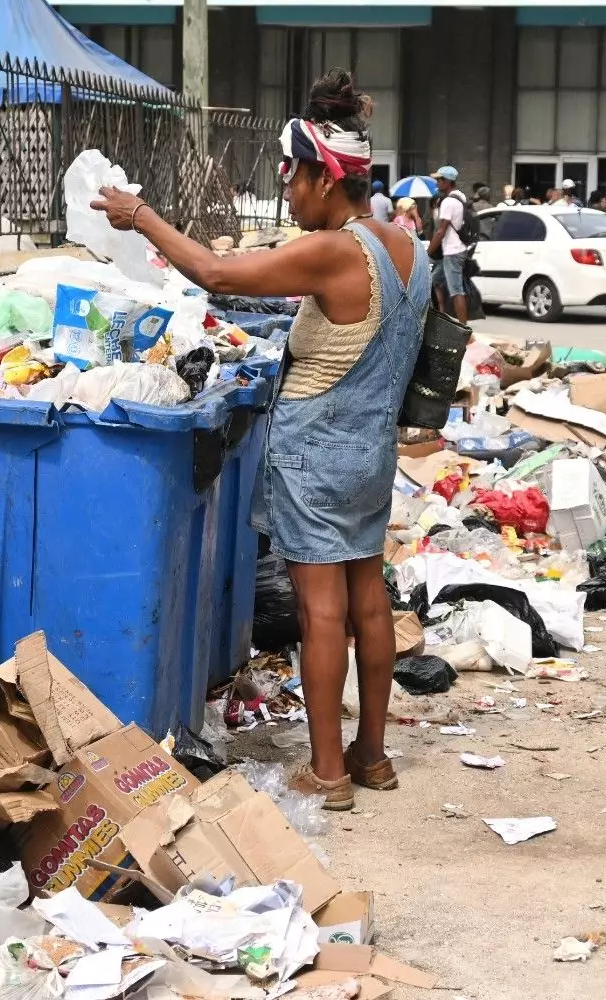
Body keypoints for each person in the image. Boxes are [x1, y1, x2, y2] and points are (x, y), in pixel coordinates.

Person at [92, 69, 428, 810]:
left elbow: (215, 273)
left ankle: (328, 772)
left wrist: (139, 215)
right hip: (372, 449)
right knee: (370, 599)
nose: (288, 192)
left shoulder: (336, 250)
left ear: (324, 177)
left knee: (320, 612)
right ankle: (371, 757)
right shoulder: (407, 248)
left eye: (292, 178)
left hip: (318, 452)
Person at [430, 164, 471, 322]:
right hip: (456, 249)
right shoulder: (460, 196)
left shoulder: (448, 201)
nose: (437, 183)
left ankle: (463, 328)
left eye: (439, 180)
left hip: (452, 251)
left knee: (456, 291)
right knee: (435, 280)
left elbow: (441, 231)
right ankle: (440, 315)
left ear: (447, 181)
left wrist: (427, 253)